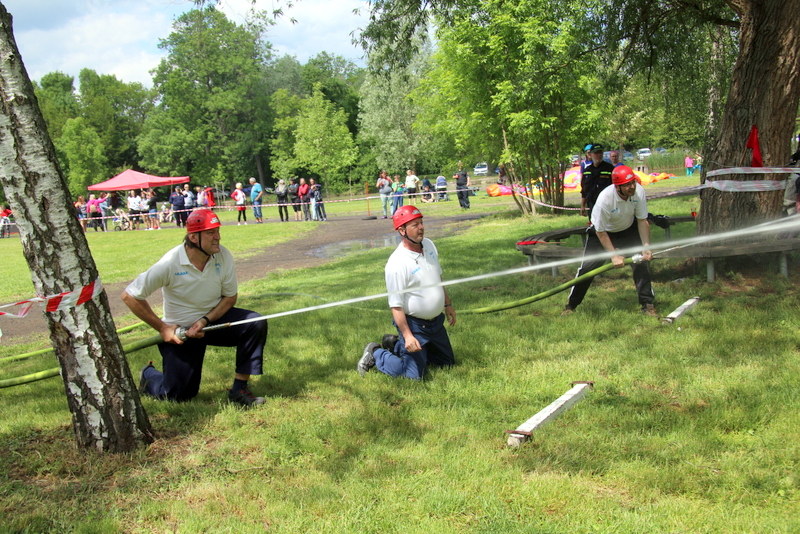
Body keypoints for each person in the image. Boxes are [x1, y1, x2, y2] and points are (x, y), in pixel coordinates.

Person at [122, 209, 268, 407]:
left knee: (254, 323)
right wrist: (163, 328)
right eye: (210, 232)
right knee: (178, 396)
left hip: (212, 321)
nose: (217, 237)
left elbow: (230, 298)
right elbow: (129, 296)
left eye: (217, 231)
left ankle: (239, 390)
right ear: (193, 237)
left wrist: (205, 320)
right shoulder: (170, 263)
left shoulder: (223, 255)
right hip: (181, 331)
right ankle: (148, 375)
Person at [357, 206, 457, 380]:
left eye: (421, 223)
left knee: (447, 363)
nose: (421, 228)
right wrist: (408, 335)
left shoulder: (429, 245)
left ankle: (395, 345)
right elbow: (396, 306)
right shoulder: (397, 263)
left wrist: (447, 304)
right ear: (402, 230)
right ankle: (377, 353)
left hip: (435, 323)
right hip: (414, 326)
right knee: (414, 375)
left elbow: (438, 277)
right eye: (415, 225)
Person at [563, 165, 656, 317]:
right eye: (627, 185)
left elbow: (642, 220)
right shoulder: (605, 200)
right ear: (617, 187)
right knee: (587, 270)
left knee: (641, 263)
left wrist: (646, 246)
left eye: (633, 182)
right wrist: (614, 255)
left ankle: (648, 305)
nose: (632, 187)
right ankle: (571, 306)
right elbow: (600, 231)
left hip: (627, 230)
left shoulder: (638, 191)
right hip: (602, 234)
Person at [580, 144, 614, 217]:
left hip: (607, 204)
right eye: (596, 153)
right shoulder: (587, 171)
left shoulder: (610, 169)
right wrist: (583, 205)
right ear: (590, 155)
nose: (598, 155)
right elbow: (584, 190)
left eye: (600, 153)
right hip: (592, 204)